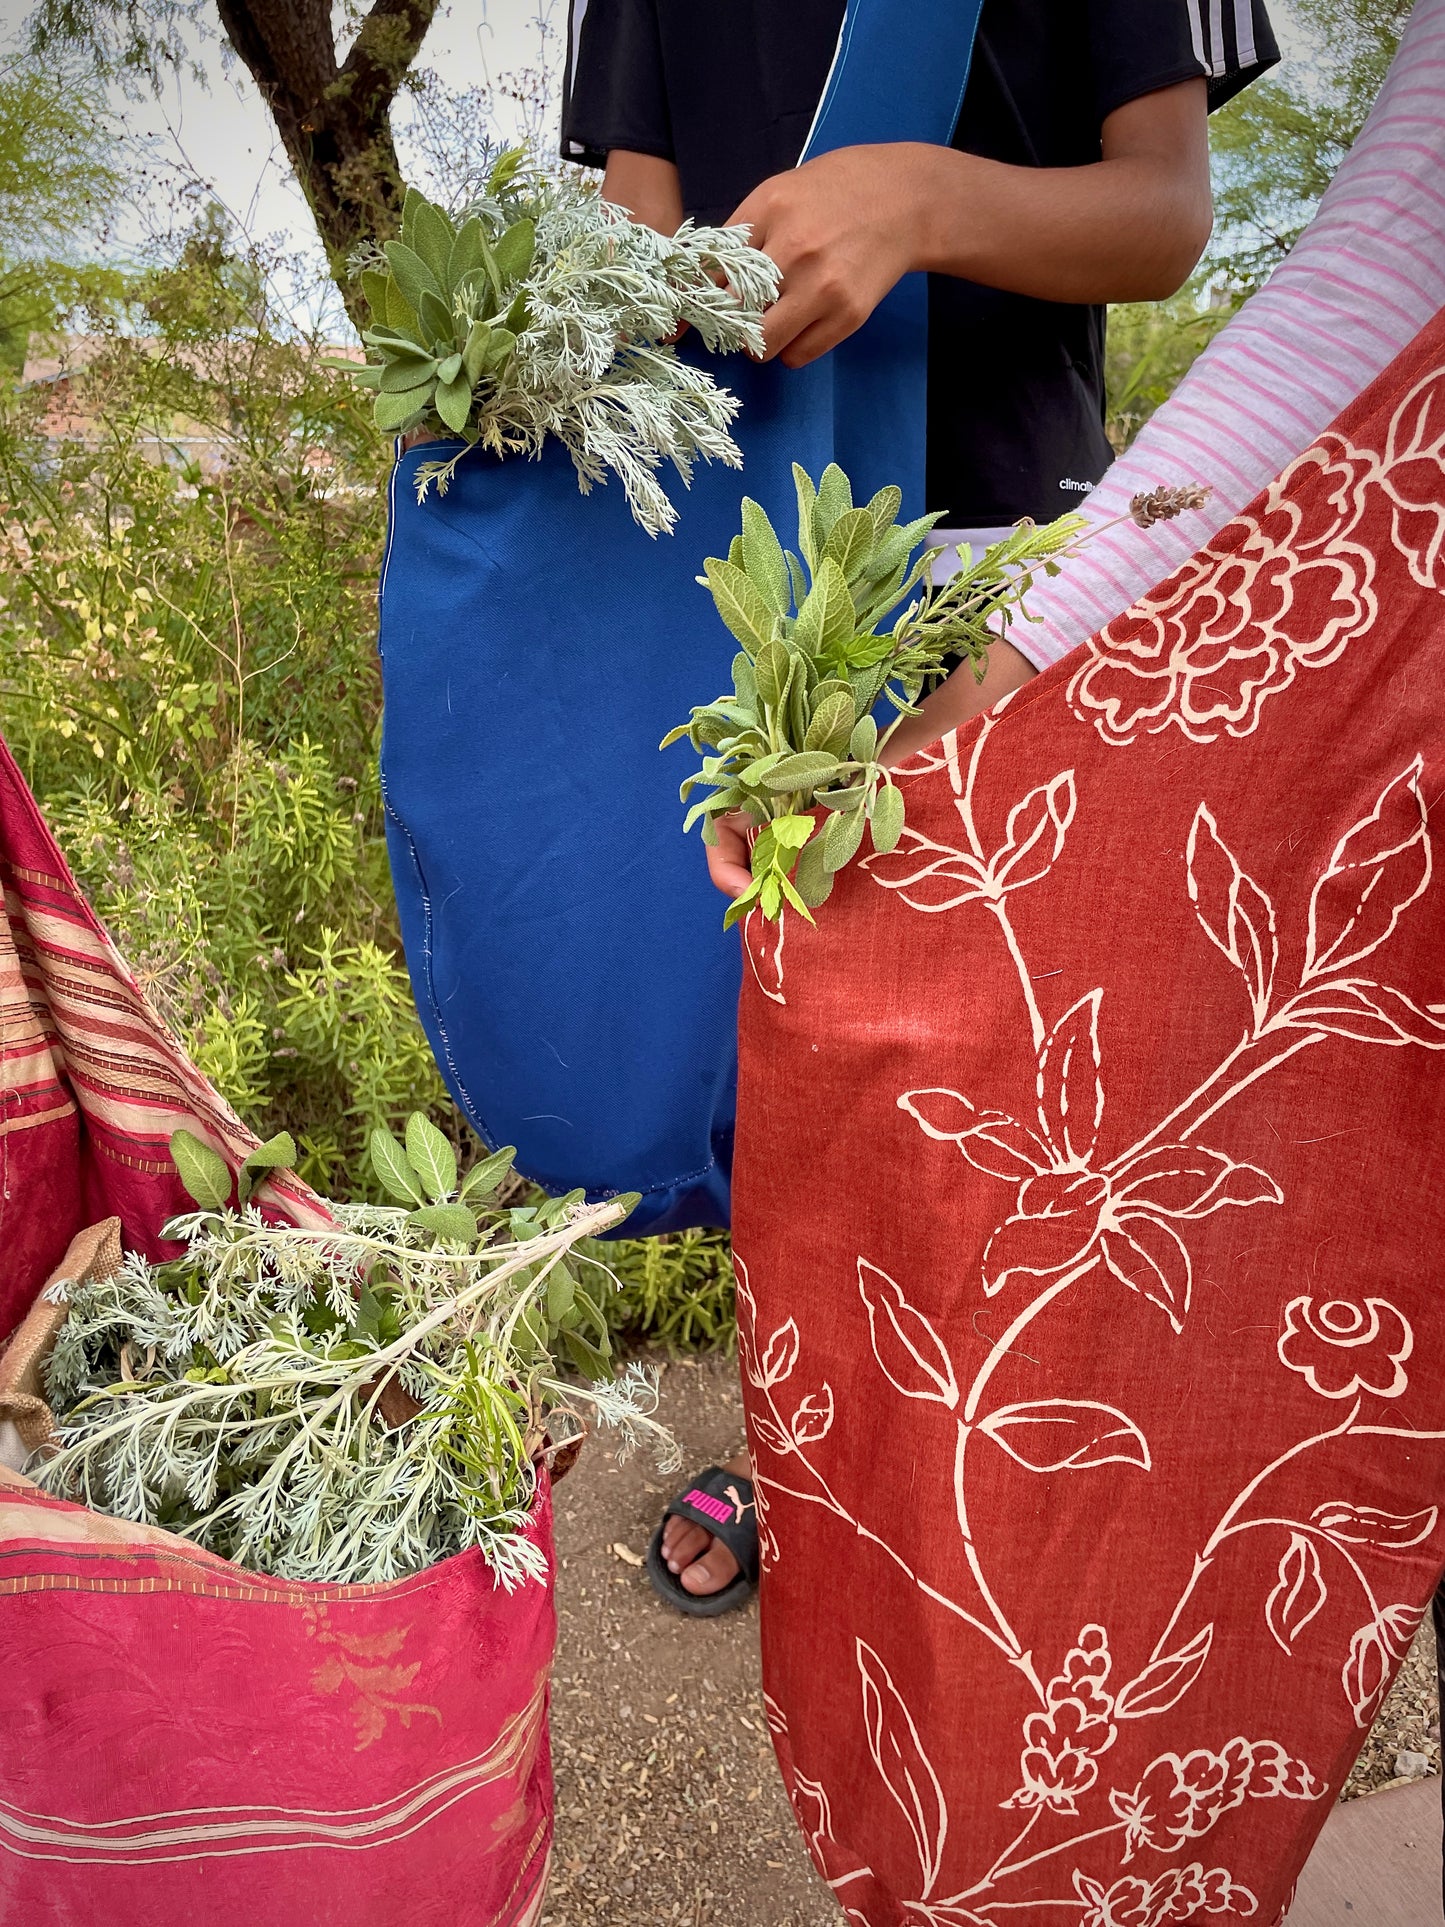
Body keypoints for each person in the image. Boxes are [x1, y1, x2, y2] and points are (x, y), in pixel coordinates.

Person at [562, 0, 1279, 1610]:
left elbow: (1164, 209)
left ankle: (1003, 1468)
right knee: (788, 1054)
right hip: (753, 580)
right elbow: (633, 235)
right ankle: (801, 1439)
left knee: (1007, 1072)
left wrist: (925, 200)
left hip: (1017, 580)